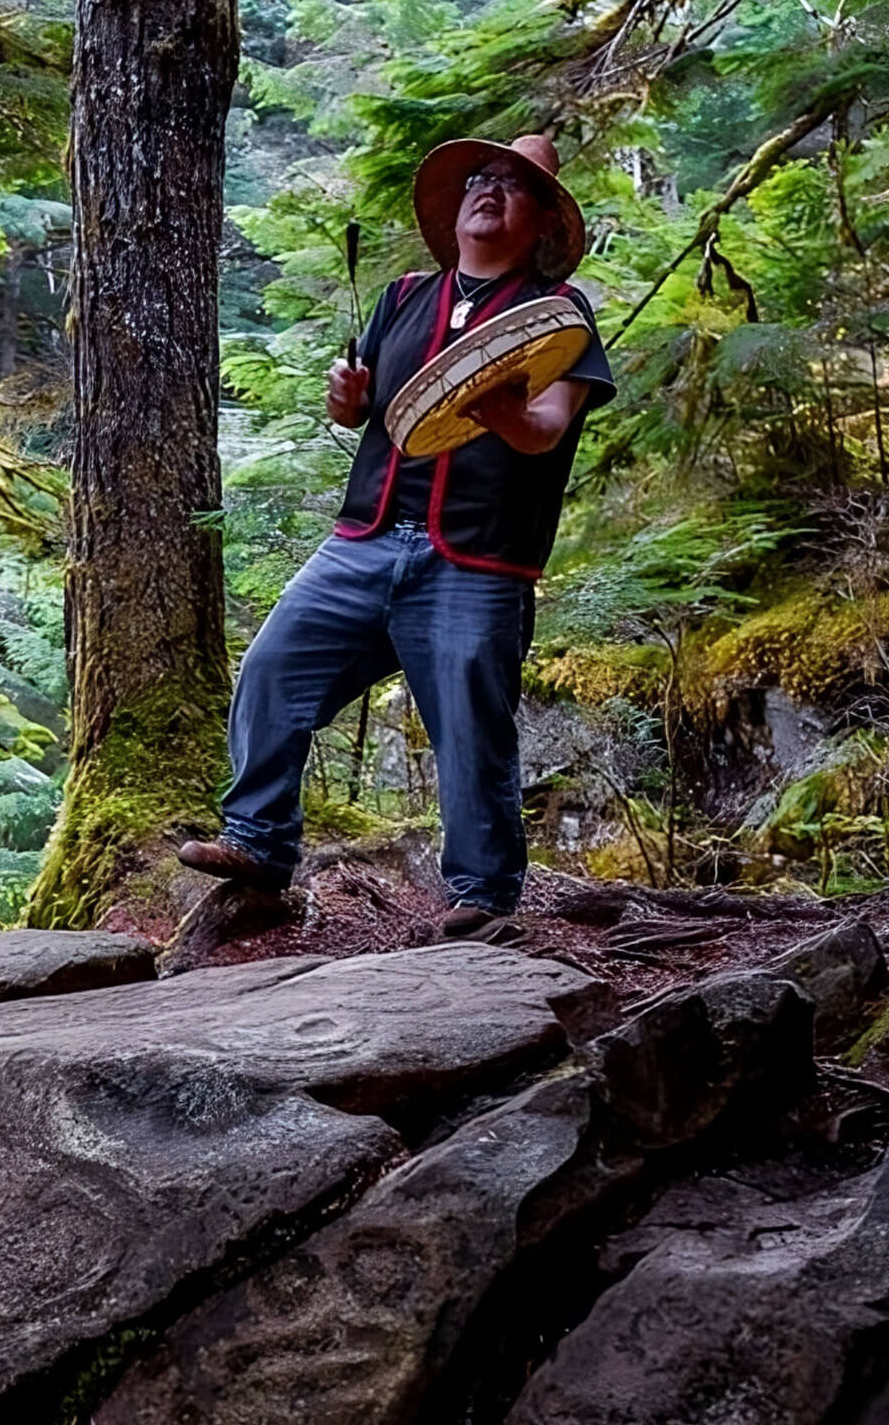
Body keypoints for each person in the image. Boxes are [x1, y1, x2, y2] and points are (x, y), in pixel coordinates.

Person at [178, 132, 615, 940]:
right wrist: (344, 397)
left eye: (515, 188)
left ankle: (481, 896)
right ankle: (261, 843)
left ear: (543, 221)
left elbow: (547, 431)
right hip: (367, 535)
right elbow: (361, 412)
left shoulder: (556, 318)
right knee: (274, 668)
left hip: (477, 555)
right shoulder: (404, 296)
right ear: (456, 207)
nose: (490, 192)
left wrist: (503, 414)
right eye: (481, 179)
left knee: (469, 726)